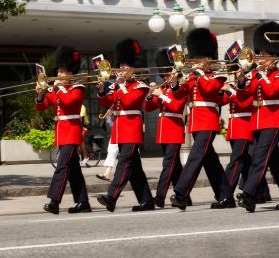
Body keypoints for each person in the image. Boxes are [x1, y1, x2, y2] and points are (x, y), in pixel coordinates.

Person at [236, 21, 279, 212]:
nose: (260, 57)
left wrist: (260, 75)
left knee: (259, 158)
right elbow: (243, 98)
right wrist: (241, 82)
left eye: (264, 54)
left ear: (274, 55)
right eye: (260, 53)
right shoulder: (256, 74)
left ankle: (249, 194)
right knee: (275, 162)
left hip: (272, 120)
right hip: (257, 120)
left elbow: (272, 92)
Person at [170, 28, 234, 210]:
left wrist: (197, 74)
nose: (195, 62)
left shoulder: (217, 75)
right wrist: (175, 83)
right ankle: (226, 196)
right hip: (196, 122)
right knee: (209, 161)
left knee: (195, 157)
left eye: (199, 59)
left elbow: (208, 89)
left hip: (208, 121)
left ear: (207, 59)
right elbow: (180, 95)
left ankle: (181, 193)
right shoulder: (192, 76)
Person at [96, 38, 154, 212]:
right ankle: (147, 201)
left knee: (124, 163)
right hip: (120, 129)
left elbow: (129, 102)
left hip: (132, 129)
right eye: (120, 66)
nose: (121, 69)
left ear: (133, 68)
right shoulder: (118, 85)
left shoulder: (140, 86)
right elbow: (107, 102)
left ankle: (112, 197)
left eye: (125, 66)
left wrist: (121, 86)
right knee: (134, 169)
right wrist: (101, 90)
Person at [36, 45, 90, 214]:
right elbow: (42, 106)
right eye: (58, 72)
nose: (58, 75)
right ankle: (83, 202)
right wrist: (39, 95)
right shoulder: (58, 89)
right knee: (73, 170)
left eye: (62, 72)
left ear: (70, 73)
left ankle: (54, 201)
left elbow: (68, 103)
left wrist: (57, 88)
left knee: (61, 167)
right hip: (61, 132)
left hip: (72, 133)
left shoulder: (78, 88)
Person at [144, 48, 189, 208]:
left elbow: (176, 107)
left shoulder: (182, 89)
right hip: (164, 132)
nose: (166, 78)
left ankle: (160, 196)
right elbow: (149, 108)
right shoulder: (163, 88)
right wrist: (150, 94)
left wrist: (161, 95)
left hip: (174, 130)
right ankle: (184, 196)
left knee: (168, 165)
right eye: (164, 76)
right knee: (175, 166)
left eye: (168, 75)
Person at [96, 111, 118, 181]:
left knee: (133, 155)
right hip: (116, 134)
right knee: (111, 152)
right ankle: (107, 173)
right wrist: (109, 118)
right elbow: (109, 130)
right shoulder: (111, 115)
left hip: (126, 131)